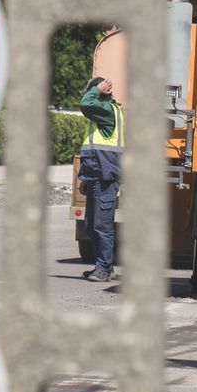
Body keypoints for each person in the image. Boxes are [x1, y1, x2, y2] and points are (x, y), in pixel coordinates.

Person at [79, 76, 124, 282]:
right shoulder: (102, 114)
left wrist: (96, 89)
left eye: (93, 92)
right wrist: (85, 177)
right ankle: (103, 265)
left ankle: (104, 269)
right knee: (91, 225)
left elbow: (85, 103)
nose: (90, 95)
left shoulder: (107, 111)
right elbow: (93, 148)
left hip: (105, 177)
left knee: (102, 225)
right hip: (96, 175)